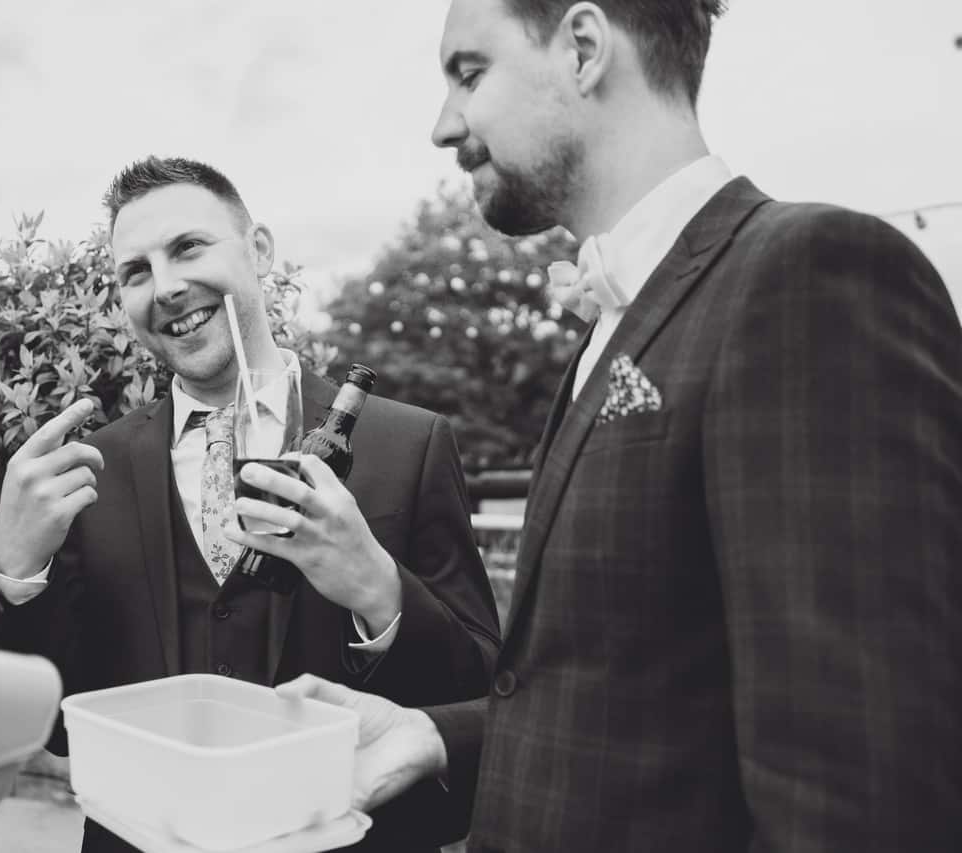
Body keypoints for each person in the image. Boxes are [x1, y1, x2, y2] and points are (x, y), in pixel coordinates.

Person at [278, 1, 962, 851]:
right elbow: (636, 701)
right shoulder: (614, 324)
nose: (442, 124)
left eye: (469, 72)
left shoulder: (809, 274)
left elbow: (858, 795)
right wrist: (436, 732)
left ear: (584, 48)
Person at [0, 156, 501, 852]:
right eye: (135, 272)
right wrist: (14, 573)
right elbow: (53, 727)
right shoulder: (90, 472)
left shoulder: (410, 444)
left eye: (188, 247)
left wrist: (379, 592)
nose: (165, 287)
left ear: (259, 251)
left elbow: (481, 692)